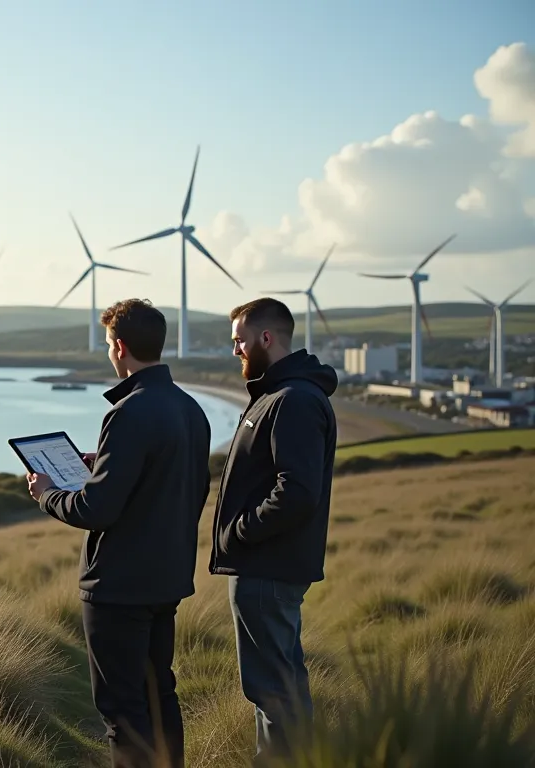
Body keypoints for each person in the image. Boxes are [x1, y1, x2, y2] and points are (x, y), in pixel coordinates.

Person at [27, 298, 211, 768]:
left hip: (119, 589)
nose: (109, 352)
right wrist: (103, 463)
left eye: (109, 343)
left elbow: (96, 508)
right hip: (167, 579)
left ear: (121, 347)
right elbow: (181, 486)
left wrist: (47, 492)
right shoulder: (190, 409)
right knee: (159, 697)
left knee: (123, 713)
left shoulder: (128, 412)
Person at [211, 297, 337, 759]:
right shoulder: (277, 395)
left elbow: (297, 491)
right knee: (279, 685)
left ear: (266, 338)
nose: (235, 350)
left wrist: (242, 531)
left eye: (239, 340)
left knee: (273, 691)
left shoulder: (295, 400)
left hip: (267, 567)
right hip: (265, 566)